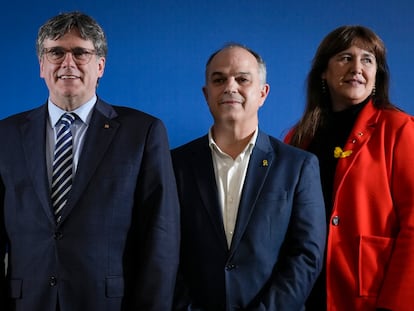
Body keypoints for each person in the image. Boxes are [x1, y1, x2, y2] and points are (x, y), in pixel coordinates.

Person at [0, 11, 180, 311]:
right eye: (56, 52)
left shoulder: (143, 132)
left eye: (80, 53)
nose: (67, 63)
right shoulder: (5, 135)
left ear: (100, 66)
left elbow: (161, 236)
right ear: (41, 66)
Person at [171, 43, 326, 311]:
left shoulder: (298, 166)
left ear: (263, 93)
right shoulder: (174, 164)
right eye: (219, 79)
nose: (230, 87)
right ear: (206, 94)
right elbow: (163, 250)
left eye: (242, 79)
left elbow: (306, 256)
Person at [285, 25, 414, 311]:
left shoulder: (399, 129)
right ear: (323, 72)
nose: (357, 67)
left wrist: (396, 304)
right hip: (304, 292)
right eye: (345, 57)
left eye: (367, 59)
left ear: (377, 74)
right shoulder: (297, 138)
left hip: (371, 294)